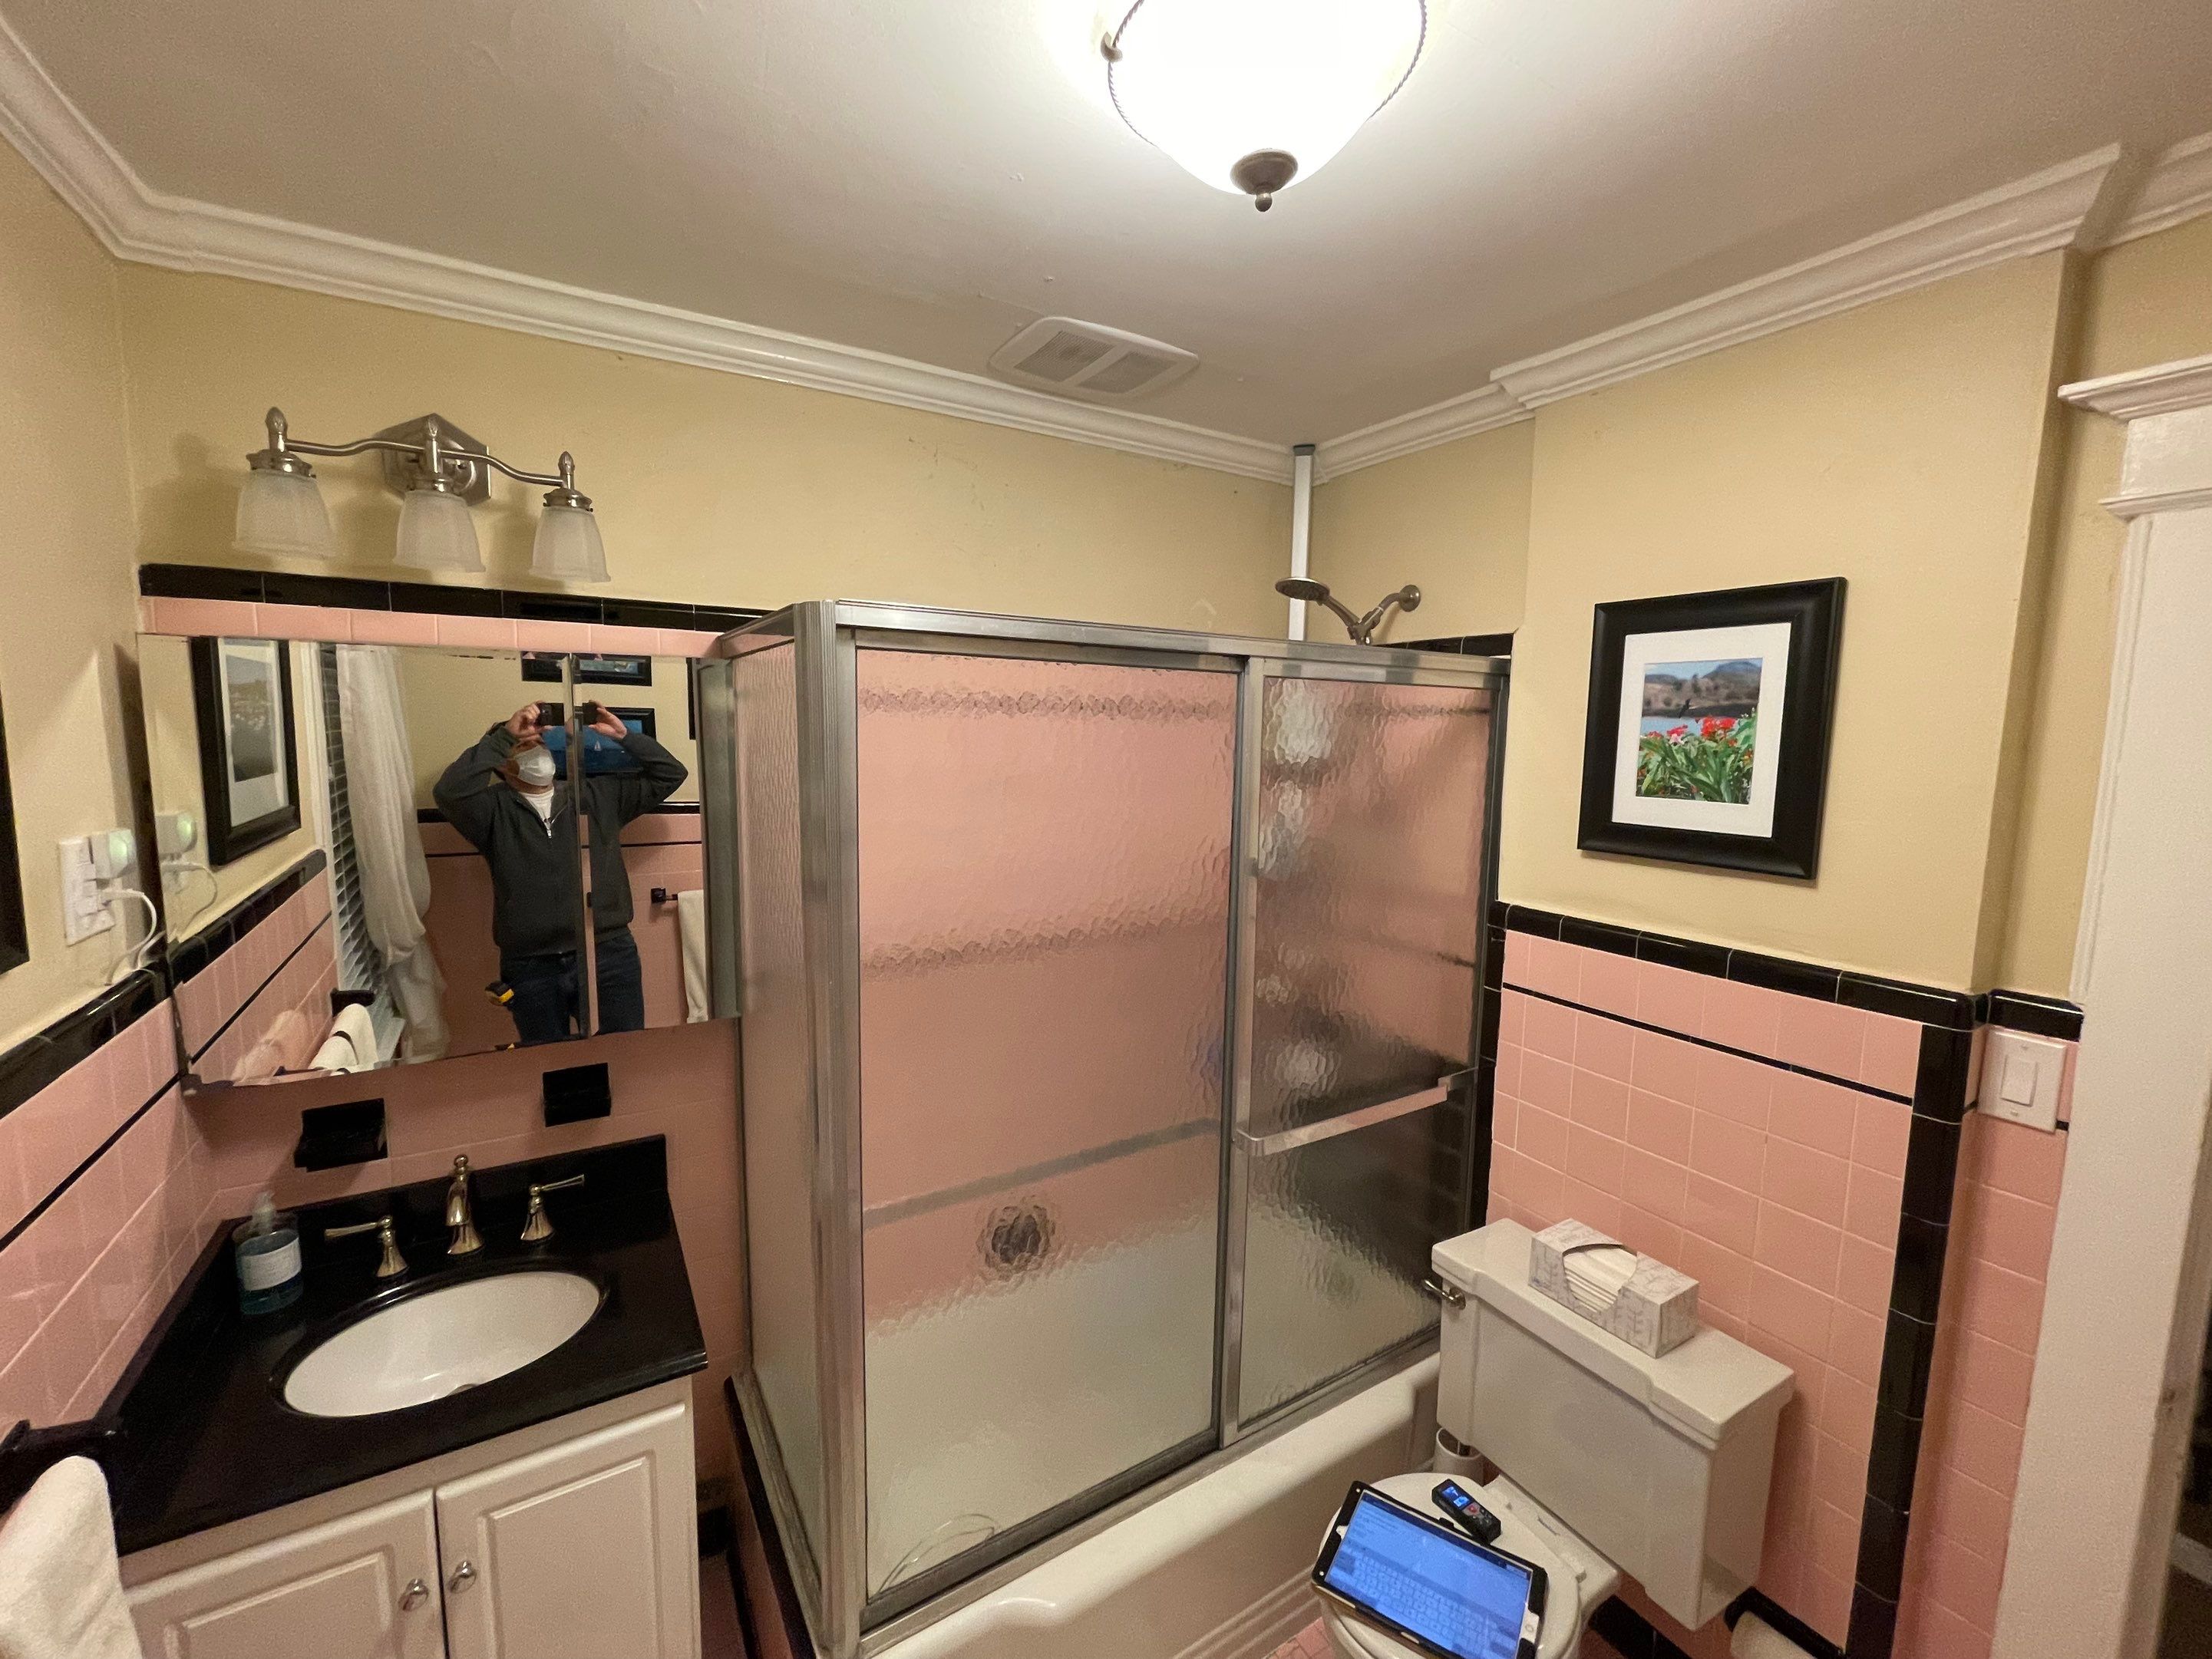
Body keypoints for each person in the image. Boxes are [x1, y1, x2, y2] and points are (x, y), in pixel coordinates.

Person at [434, 701, 688, 1045]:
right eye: (523, 746)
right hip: (531, 965)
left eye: (539, 743)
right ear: (502, 762)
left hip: (607, 953)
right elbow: (449, 792)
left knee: (625, 1053)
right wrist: (503, 737)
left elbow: (671, 774)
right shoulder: (490, 811)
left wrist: (624, 736)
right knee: (548, 1062)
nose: (536, 751)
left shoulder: (596, 796)